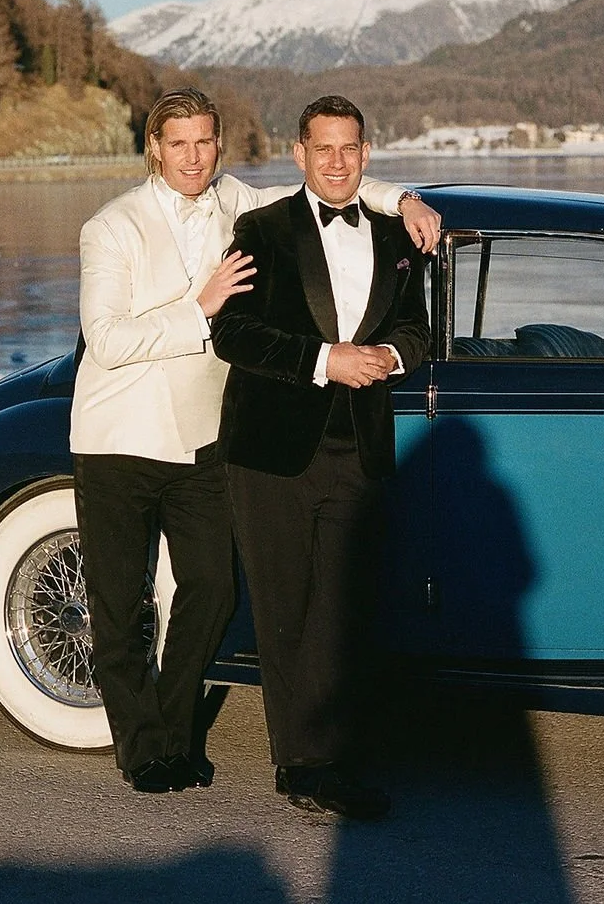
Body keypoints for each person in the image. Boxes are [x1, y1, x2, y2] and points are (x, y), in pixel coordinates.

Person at [71, 87, 439, 795]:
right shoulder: (111, 225)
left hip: (207, 436)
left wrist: (408, 200)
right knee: (119, 605)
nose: (193, 156)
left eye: (205, 142)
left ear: (219, 145)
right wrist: (199, 307)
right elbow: (106, 341)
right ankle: (145, 748)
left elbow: (325, 179)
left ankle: (173, 733)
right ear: (154, 147)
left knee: (210, 591)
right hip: (121, 433)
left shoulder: (235, 202)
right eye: (178, 143)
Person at [211, 94, 431, 821]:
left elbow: (415, 329)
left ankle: (332, 756)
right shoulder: (261, 229)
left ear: (367, 156)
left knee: (345, 603)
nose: (337, 163)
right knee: (286, 607)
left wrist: (391, 355)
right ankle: (303, 766)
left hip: (358, 444)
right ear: (299, 155)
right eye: (322, 149)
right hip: (272, 448)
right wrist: (324, 360)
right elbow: (233, 333)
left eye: (350, 149)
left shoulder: (397, 236)